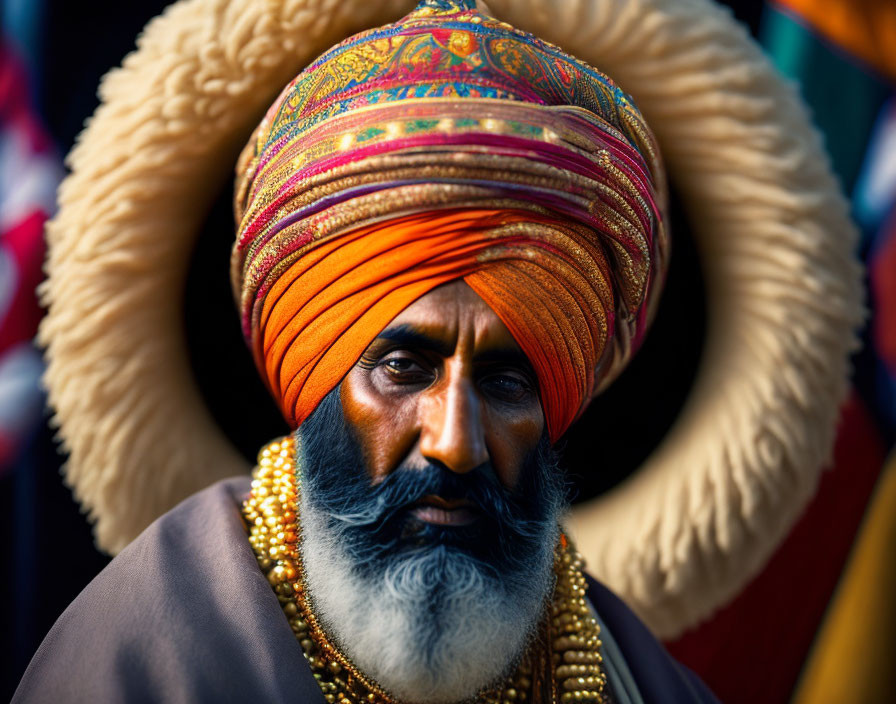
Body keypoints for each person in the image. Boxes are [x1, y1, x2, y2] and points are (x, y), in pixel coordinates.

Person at [17, 0, 864, 701]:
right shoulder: (139, 662)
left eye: (505, 381)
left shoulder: (639, 682)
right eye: (403, 368)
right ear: (309, 376)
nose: (455, 441)